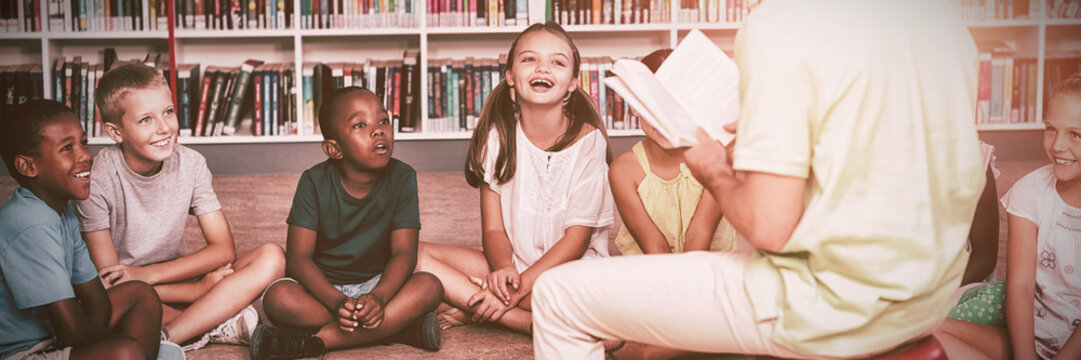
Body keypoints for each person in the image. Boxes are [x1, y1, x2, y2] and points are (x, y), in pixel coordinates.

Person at [530, 0, 987, 358]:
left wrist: (712, 168)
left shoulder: (783, 24)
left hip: (831, 307)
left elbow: (769, 227)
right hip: (924, 295)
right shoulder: (945, 21)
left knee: (557, 296)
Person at [415, 21, 614, 334]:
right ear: (510, 75)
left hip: (569, 271)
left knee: (585, 302)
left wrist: (513, 292)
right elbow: (494, 228)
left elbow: (576, 242)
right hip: (511, 267)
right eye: (529, 59)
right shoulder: (497, 137)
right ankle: (521, 321)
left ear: (574, 82)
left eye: (557, 62)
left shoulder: (589, 142)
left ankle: (475, 303)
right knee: (413, 255)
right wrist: (503, 269)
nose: (542, 68)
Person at [75, 64, 286, 350]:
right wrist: (197, 291)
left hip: (172, 278)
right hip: (129, 296)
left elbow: (223, 249)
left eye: (168, 112)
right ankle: (208, 322)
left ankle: (167, 336)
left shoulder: (191, 164)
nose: (164, 128)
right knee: (104, 306)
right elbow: (112, 279)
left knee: (271, 256)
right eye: (145, 120)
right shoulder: (97, 178)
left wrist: (156, 277)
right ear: (115, 132)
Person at [253, 87, 444, 360]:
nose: (378, 131)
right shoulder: (313, 181)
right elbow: (299, 259)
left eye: (383, 120)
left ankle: (317, 342)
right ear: (334, 149)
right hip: (324, 291)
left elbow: (404, 253)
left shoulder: (403, 176)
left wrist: (379, 297)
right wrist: (337, 302)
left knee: (430, 287)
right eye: (360, 125)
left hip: (378, 284)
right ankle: (397, 329)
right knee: (278, 299)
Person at [0, 99, 173, 360]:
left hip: (53, 335)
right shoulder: (30, 223)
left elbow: (95, 300)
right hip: (22, 353)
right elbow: (72, 332)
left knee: (141, 294)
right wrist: (128, 347)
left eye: (83, 142)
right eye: (67, 148)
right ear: (28, 167)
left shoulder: (62, 210)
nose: (85, 156)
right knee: (127, 351)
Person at [939, 74, 1081, 360]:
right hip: (1030, 338)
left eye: (1076, 135)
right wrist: (1024, 355)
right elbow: (1020, 286)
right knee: (923, 334)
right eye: (1051, 129)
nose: (1057, 146)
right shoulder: (1029, 191)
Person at [610, 48, 738, 256]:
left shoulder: (714, 160)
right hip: (652, 276)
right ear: (635, 106)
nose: (665, 120)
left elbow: (698, 242)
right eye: (655, 104)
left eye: (676, 106)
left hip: (705, 271)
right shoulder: (623, 170)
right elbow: (655, 249)